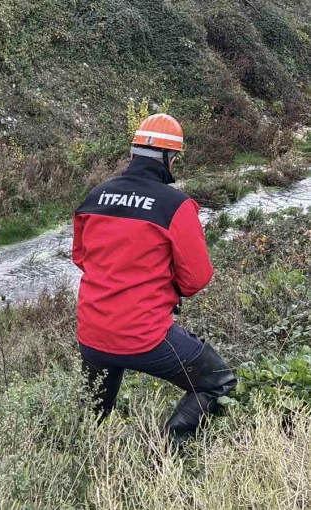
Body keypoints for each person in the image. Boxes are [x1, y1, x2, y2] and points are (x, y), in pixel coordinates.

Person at [71, 113, 237, 447]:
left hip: (92, 334)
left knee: (93, 413)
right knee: (217, 380)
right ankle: (168, 453)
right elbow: (196, 279)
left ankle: (83, 456)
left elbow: (81, 258)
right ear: (170, 160)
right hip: (144, 337)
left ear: (132, 154)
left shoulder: (94, 197)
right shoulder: (175, 206)